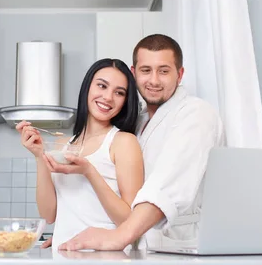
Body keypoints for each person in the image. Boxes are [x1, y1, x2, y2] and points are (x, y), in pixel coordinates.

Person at [59, 34, 225, 251]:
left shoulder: (197, 114)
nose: (154, 80)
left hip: (181, 247)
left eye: (164, 71)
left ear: (180, 74)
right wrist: (77, 238)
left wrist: (119, 237)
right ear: (134, 72)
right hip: (140, 247)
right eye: (146, 70)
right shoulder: (137, 121)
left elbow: (168, 184)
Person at [16, 58, 144, 250]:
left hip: (105, 257)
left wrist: (89, 172)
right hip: (64, 253)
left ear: (125, 101)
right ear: (88, 88)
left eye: (119, 93)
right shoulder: (62, 145)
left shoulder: (123, 142)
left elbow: (131, 222)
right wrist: (39, 156)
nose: (108, 97)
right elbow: (49, 215)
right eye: (102, 86)